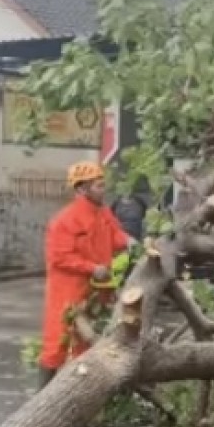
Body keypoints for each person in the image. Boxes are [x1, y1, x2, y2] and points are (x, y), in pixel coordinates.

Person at [39, 161, 130, 388]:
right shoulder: (64, 221)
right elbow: (59, 257)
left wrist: (135, 246)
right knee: (57, 345)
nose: (104, 190)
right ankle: (41, 397)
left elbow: (119, 241)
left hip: (99, 292)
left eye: (103, 185)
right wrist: (91, 268)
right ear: (81, 189)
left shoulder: (104, 214)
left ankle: (85, 393)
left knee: (92, 345)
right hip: (68, 293)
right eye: (99, 186)